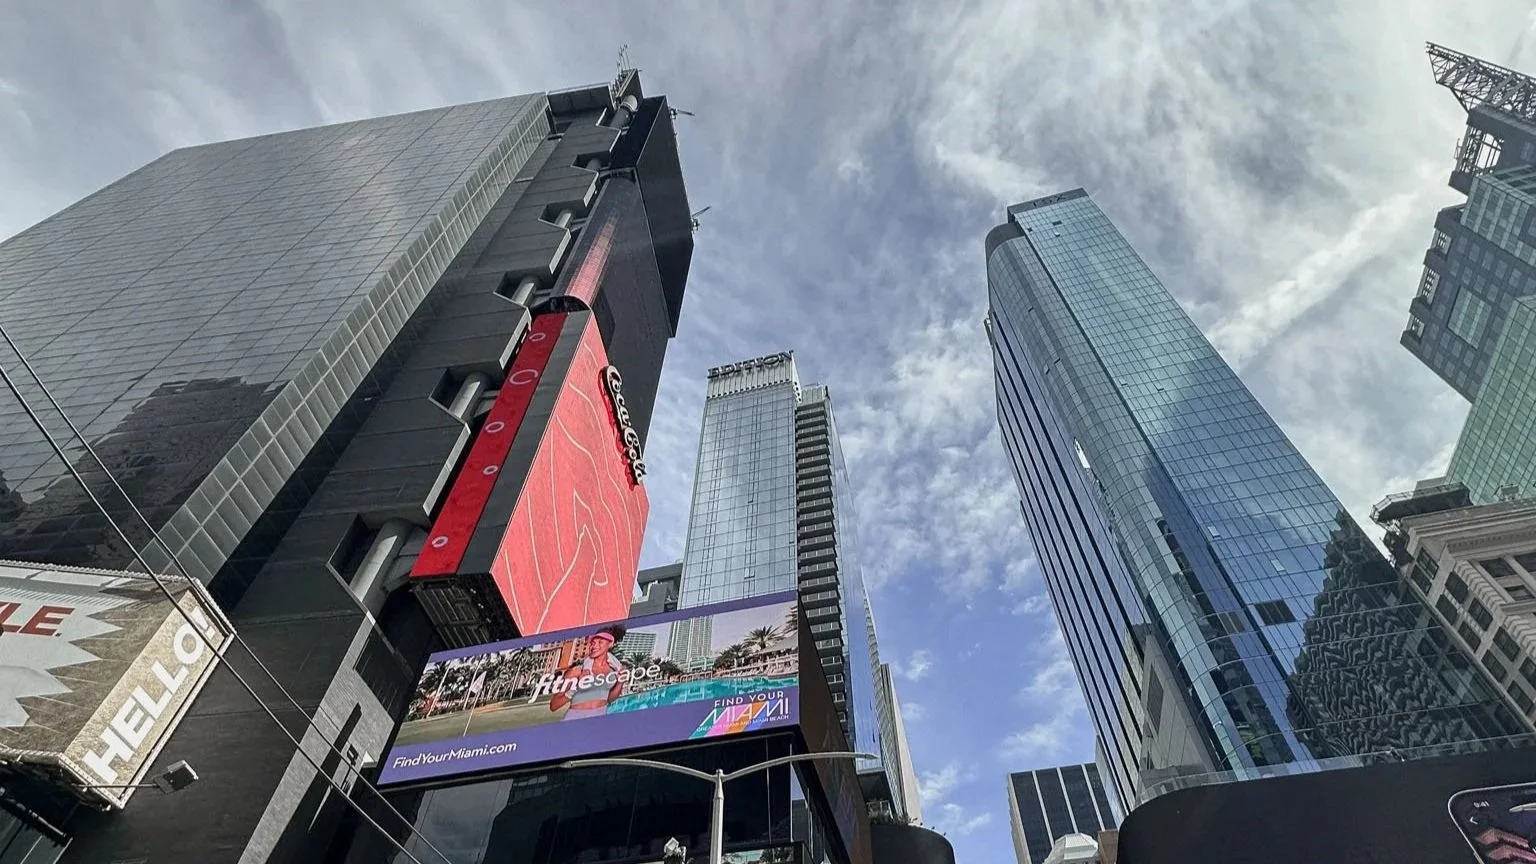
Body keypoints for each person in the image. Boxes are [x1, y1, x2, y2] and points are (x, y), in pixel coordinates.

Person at [549, 625, 628, 720]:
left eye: (600, 642)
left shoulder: (612, 673)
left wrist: (620, 682)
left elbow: (609, 699)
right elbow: (554, 705)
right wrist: (576, 687)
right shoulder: (577, 672)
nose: (594, 646)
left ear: (610, 644)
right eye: (593, 643)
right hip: (575, 718)